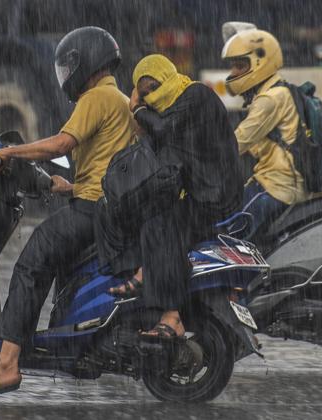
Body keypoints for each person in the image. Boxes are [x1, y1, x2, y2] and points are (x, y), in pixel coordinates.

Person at [0, 26, 134, 400]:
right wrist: (62, 185)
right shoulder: (118, 100)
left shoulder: (97, 98)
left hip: (93, 211)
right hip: (103, 204)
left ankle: (6, 365)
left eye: (70, 65)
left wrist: (6, 153)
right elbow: (108, 168)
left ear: (85, 61)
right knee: (51, 259)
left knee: (32, 262)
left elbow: (60, 143)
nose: (66, 74)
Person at [97, 54, 242, 339]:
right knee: (153, 213)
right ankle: (144, 272)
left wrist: (137, 108)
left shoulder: (195, 94)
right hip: (206, 192)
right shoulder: (177, 107)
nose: (151, 95)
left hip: (215, 196)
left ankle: (171, 315)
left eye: (153, 87)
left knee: (161, 227)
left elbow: (162, 129)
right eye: (144, 90)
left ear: (167, 77)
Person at [222, 28, 308, 237]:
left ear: (261, 62)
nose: (233, 73)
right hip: (281, 184)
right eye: (233, 66)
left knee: (227, 239)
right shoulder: (278, 90)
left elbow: (236, 143)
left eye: (240, 66)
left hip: (275, 187)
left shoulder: (270, 99)